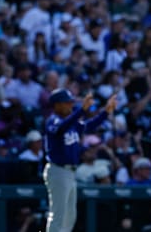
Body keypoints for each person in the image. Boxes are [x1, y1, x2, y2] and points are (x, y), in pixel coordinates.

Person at [43, 89, 116, 232]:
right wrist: (81, 111)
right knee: (58, 214)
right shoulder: (53, 120)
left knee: (70, 215)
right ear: (57, 105)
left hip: (70, 172)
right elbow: (60, 129)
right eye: (67, 103)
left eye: (71, 103)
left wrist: (106, 112)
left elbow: (90, 125)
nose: (70, 106)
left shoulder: (71, 122)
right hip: (57, 170)